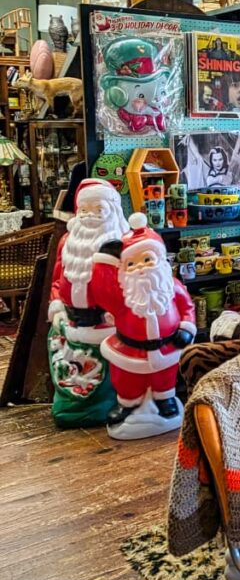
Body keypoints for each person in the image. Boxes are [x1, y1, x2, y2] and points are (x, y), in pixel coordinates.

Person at [89, 213, 196, 436]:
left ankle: (165, 399)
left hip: (167, 345)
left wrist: (186, 327)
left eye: (147, 260)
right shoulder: (123, 293)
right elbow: (102, 292)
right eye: (132, 263)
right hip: (130, 348)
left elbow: (187, 307)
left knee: (165, 376)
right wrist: (103, 261)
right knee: (126, 378)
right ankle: (127, 403)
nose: (141, 268)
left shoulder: (172, 286)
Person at [48, 180, 131, 427]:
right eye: (84, 210)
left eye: (98, 209)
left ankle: (111, 405)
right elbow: (57, 278)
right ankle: (70, 408)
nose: (89, 216)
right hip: (71, 322)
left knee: (112, 377)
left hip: (106, 324)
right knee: (67, 369)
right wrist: (56, 304)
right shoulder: (68, 242)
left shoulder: (122, 243)